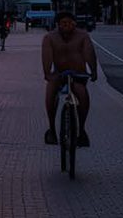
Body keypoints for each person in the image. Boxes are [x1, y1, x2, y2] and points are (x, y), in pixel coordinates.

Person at [41, 11, 95, 146]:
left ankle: (81, 129)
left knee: (82, 94)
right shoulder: (50, 37)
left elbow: (89, 53)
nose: (67, 26)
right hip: (59, 74)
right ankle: (52, 129)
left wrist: (93, 70)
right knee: (50, 93)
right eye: (63, 23)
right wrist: (47, 72)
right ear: (58, 25)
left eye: (70, 23)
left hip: (78, 75)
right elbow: (46, 56)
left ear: (74, 24)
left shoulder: (83, 36)